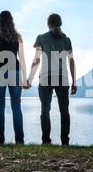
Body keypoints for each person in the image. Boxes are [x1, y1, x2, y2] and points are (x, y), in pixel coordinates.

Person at [27, 13, 77, 146]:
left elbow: (36, 60)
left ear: (48, 24)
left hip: (45, 77)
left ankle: (46, 141)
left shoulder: (41, 38)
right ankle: (65, 141)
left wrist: (30, 79)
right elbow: (71, 62)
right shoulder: (66, 40)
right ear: (60, 24)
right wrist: (74, 82)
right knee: (64, 112)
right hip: (63, 78)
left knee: (45, 110)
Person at [0, 11, 28, 144]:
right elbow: (22, 59)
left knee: (0, 107)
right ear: (11, 21)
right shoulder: (18, 37)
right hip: (14, 72)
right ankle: (20, 141)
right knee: (16, 107)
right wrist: (25, 78)